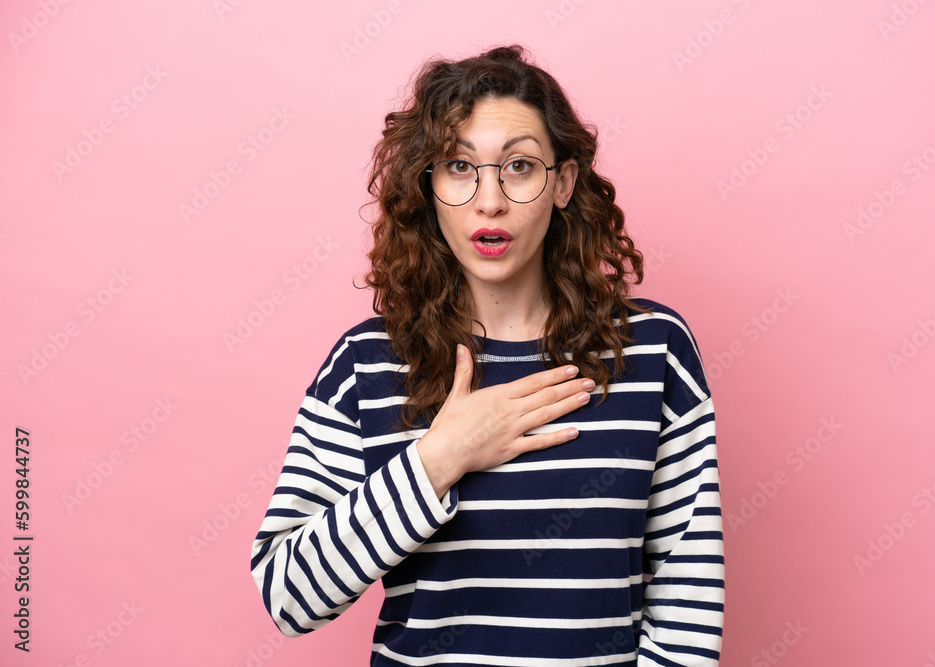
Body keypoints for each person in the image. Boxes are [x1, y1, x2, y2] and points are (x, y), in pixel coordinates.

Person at [250, 44, 724, 666]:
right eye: (458, 166)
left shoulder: (653, 349)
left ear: (563, 183)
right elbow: (288, 596)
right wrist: (440, 457)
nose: (490, 199)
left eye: (520, 166)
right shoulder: (365, 365)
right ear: (428, 186)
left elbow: (686, 596)